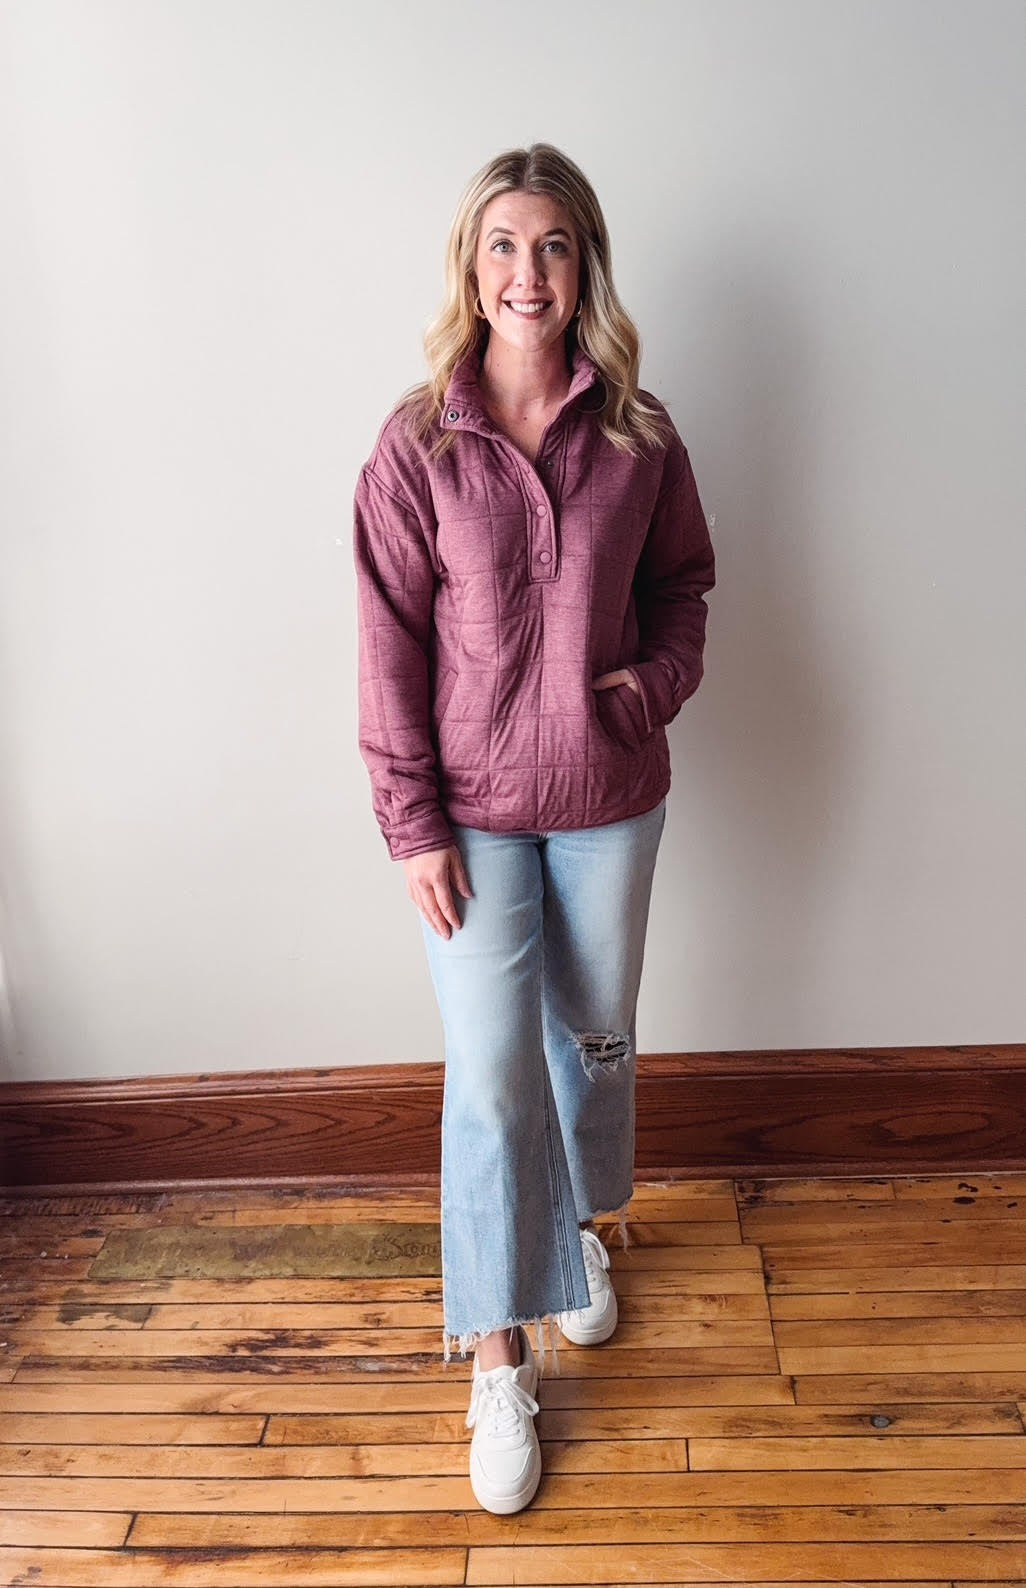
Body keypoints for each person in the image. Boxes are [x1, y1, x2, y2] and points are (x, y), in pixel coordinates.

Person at [353, 143, 714, 1514]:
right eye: (503, 245)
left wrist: (652, 686)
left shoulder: (640, 434)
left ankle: (572, 1230)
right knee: (489, 1074)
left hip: (611, 800)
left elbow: (686, 587)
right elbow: (386, 650)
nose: (527, 272)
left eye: (553, 246)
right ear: (470, 266)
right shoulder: (413, 448)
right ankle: (495, 1348)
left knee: (596, 1043)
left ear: (584, 269)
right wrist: (410, 827)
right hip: (471, 820)